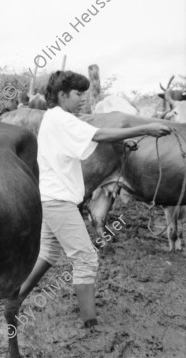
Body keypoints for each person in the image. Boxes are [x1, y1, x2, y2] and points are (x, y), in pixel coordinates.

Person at [18, 70, 171, 328]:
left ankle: (16, 296)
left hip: (51, 198)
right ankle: (90, 322)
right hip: (59, 201)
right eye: (78, 94)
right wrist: (146, 127)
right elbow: (98, 134)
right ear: (62, 95)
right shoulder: (62, 119)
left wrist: (124, 144)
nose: (82, 100)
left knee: (49, 252)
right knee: (86, 257)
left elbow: (87, 144)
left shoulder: (55, 119)